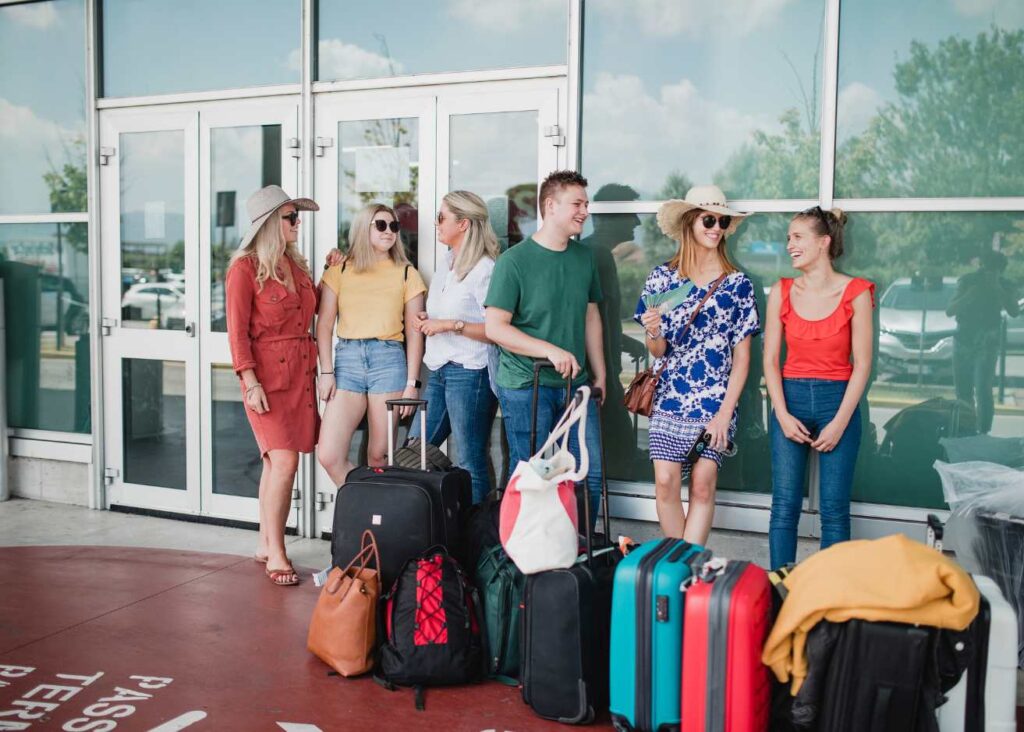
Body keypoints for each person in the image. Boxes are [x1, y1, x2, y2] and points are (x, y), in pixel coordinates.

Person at [636, 185, 760, 545]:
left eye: (722, 221)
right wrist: (653, 330)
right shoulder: (662, 277)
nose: (716, 228)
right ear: (691, 222)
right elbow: (657, 350)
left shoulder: (737, 284)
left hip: (716, 400)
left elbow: (742, 359)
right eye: (709, 219)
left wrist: (725, 413)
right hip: (670, 395)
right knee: (664, 483)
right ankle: (681, 564)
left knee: (704, 485)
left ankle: (686, 568)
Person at [484, 170, 606, 524]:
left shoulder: (584, 258)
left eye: (587, 203)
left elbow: (591, 316)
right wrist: (548, 350)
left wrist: (600, 374)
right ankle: (524, 564)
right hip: (526, 385)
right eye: (577, 204)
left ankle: (577, 557)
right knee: (533, 477)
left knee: (589, 474)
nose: (585, 211)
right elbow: (495, 328)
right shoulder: (515, 262)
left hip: (576, 386)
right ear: (550, 206)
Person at [764, 206, 874, 569]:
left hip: (838, 403)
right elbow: (770, 362)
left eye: (797, 237)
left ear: (824, 242)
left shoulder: (856, 292)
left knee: (834, 510)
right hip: (789, 400)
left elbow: (863, 365)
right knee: (784, 506)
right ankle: (781, 591)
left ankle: (827, 600)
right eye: (788, 238)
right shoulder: (780, 291)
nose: (789, 245)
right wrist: (781, 414)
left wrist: (840, 422)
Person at [226, 185, 320, 587]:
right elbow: (236, 334)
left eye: (297, 217)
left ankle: (266, 542)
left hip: (300, 375)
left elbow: (311, 311)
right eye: (291, 218)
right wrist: (249, 380)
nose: (298, 223)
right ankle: (278, 551)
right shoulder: (244, 269)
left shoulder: (295, 266)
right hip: (265, 378)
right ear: (270, 224)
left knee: (273, 463)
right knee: (284, 462)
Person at [315, 203, 426, 485]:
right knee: (328, 454)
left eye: (394, 226)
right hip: (347, 361)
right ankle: (362, 500)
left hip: (388, 360)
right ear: (364, 228)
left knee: (379, 455)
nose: (389, 231)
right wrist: (326, 371)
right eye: (381, 225)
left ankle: (377, 520)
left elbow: (415, 333)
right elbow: (325, 324)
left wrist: (412, 384)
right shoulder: (339, 270)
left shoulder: (406, 273)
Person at [411, 191, 500, 504]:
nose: (436, 224)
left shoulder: (485, 269)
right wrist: (430, 319)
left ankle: (477, 539)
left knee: (469, 458)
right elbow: (446, 312)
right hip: (438, 368)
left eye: (441, 217)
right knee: (416, 451)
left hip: (470, 373)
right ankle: (428, 525)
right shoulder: (446, 263)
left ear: (463, 224)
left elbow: (497, 330)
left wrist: (450, 325)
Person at [580, 183, 648, 476]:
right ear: (606, 218)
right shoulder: (597, 255)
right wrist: (605, 373)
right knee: (620, 452)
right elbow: (595, 316)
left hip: (596, 370)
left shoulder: (589, 252)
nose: (637, 222)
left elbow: (599, 317)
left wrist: (622, 341)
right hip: (598, 374)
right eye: (630, 213)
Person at [947, 249, 1020, 434]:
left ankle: (982, 432)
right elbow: (950, 310)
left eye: (993, 270)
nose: (987, 273)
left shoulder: (1005, 285)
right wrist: (970, 295)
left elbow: (1014, 310)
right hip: (963, 340)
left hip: (987, 344)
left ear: (1000, 270)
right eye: (985, 268)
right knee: (963, 391)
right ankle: (966, 429)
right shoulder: (968, 281)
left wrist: (998, 289)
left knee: (983, 391)